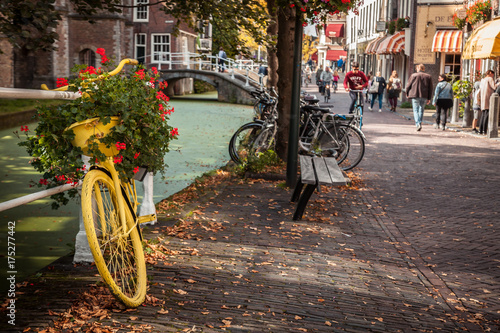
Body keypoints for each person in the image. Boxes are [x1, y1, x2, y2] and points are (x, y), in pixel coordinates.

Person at [405, 64, 433, 131]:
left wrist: (407, 93)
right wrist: (429, 98)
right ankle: (420, 122)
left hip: (415, 95)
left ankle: (417, 124)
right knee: (421, 110)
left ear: (418, 69)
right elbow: (430, 88)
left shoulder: (413, 75)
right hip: (424, 95)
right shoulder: (428, 76)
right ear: (423, 69)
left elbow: (408, 85)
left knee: (415, 110)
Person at [479, 69, 498, 135]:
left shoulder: (482, 80)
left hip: (483, 98)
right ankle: (484, 130)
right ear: (490, 73)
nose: (493, 76)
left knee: (483, 114)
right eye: (493, 74)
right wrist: (498, 83)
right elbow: (494, 87)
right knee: (486, 114)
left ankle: (480, 130)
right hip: (488, 97)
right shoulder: (489, 79)